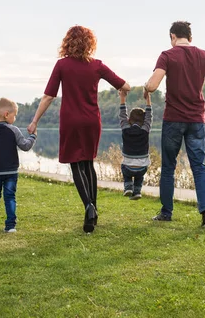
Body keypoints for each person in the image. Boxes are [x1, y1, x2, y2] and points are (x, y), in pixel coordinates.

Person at [27, 25, 131, 234]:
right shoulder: (98, 66)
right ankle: (93, 212)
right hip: (92, 120)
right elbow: (125, 85)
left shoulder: (62, 66)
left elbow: (48, 96)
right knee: (88, 163)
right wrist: (121, 91)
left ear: (67, 42)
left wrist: (35, 120)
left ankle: (89, 207)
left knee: (76, 164)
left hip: (71, 121)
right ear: (90, 43)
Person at [143, 21, 205, 227]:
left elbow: (153, 85)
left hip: (173, 119)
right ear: (190, 38)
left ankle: (166, 212)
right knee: (199, 167)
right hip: (196, 120)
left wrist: (146, 87)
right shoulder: (204, 55)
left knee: (168, 167)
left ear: (172, 37)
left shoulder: (167, 55)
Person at [0, 97, 37, 233]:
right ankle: (10, 226)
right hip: (11, 172)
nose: (15, 118)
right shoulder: (13, 130)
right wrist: (33, 137)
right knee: (10, 197)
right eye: (15, 115)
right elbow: (25, 146)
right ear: (7, 114)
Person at [119, 90, 153, 200]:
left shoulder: (125, 129)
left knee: (124, 166)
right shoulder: (145, 129)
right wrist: (148, 98)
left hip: (128, 166)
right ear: (143, 121)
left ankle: (128, 186)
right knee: (140, 173)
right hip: (142, 167)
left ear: (129, 119)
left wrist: (122, 98)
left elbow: (122, 115)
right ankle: (137, 191)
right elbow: (149, 116)